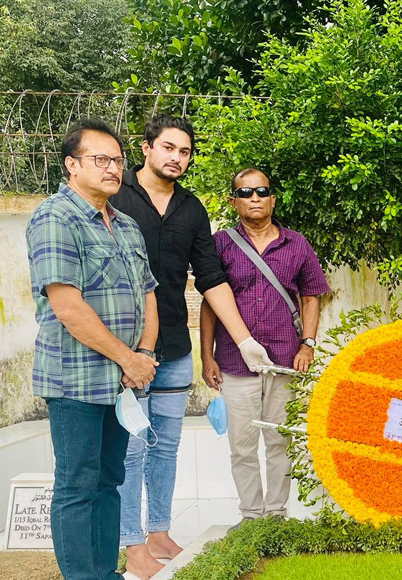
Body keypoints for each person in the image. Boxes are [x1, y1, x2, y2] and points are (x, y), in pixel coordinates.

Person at [108, 115, 271, 578]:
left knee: (166, 446)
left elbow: (211, 277)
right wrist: (121, 352)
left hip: (175, 346)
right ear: (146, 148)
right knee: (132, 448)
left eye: (184, 151)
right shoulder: (116, 196)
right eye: (168, 147)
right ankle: (132, 543)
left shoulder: (191, 209)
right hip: (127, 347)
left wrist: (242, 338)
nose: (176, 158)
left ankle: (159, 531)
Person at [26, 118, 158, 580]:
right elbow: (68, 307)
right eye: (100, 159)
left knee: (109, 481)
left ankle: (106, 573)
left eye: (118, 160)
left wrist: (144, 355)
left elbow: (148, 293)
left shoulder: (126, 225)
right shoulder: (54, 218)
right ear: (72, 164)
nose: (113, 168)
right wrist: (128, 359)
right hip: (75, 381)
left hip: (122, 383)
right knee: (77, 485)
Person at [200, 167, 329, 522]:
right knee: (242, 446)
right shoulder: (220, 244)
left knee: (279, 442)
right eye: (245, 193)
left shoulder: (297, 244)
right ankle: (251, 517)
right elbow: (211, 303)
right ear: (233, 202)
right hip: (234, 362)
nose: (254, 198)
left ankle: (276, 515)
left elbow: (312, 295)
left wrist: (308, 345)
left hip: (285, 360)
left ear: (273, 199)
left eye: (261, 191)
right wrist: (206, 355)